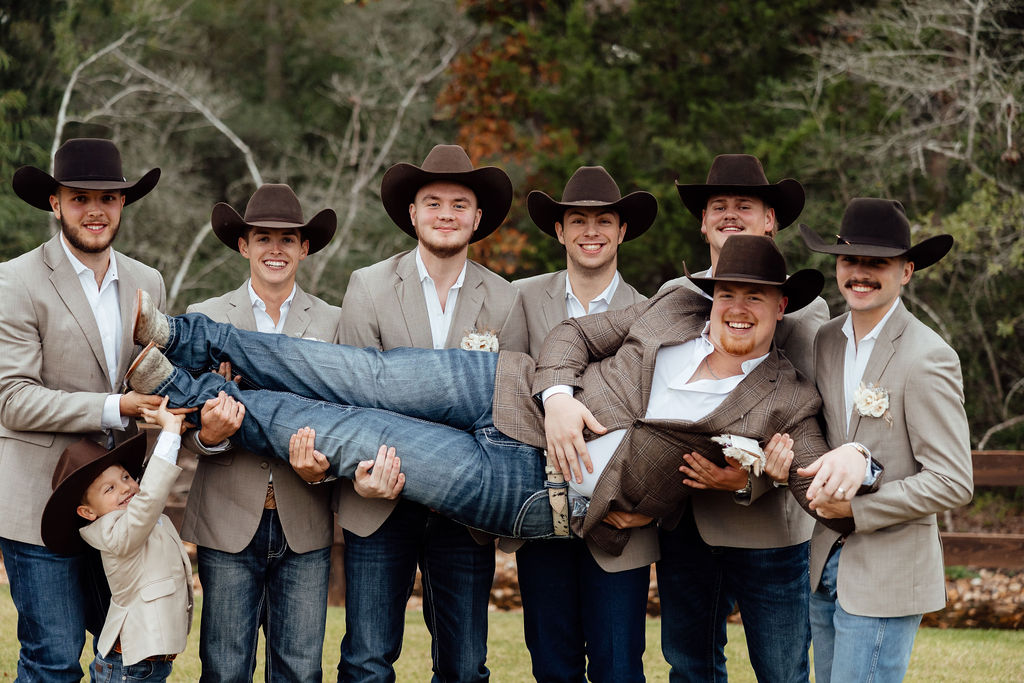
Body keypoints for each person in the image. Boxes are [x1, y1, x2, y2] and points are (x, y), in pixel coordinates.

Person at [126, 235, 849, 554]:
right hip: (505, 386)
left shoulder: (788, 399)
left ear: (780, 307)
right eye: (730, 291)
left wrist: (759, 477)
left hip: (535, 489)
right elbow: (570, 338)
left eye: (757, 297)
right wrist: (561, 396)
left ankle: (184, 391)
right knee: (355, 373)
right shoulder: (672, 305)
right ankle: (184, 334)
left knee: (355, 433)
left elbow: (823, 493)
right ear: (713, 293)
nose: (738, 307)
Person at [332, 144, 527, 682]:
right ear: (413, 214)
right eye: (433, 202)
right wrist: (363, 474)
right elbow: (350, 398)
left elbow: (505, 409)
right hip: (379, 496)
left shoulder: (506, 299)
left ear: (477, 217)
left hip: (464, 510)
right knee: (368, 660)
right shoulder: (368, 287)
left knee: (464, 666)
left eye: (459, 204)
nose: (447, 214)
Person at [656, 153, 829, 682]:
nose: (730, 215)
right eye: (719, 206)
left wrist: (747, 479)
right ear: (703, 221)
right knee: (690, 668)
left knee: (781, 671)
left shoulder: (803, 314)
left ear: (770, 219)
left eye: (745, 206)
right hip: (684, 521)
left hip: (767, 529)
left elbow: (807, 425)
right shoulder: (674, 296)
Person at [0, 138, 167, 680]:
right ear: (55, 203)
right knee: (52, 658)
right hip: (37, 501)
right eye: (79, 198)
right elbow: (13, 400)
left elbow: (151, 374)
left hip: (118, 508)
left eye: (109, 198)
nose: (95, 210)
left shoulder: (148, 282)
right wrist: (115, 406)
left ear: (124, 204)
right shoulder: (15, 281)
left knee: (130, 653)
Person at [176, 184, 352, 682]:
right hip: (227, 517)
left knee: (299, 669)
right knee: (226, 668)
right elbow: (185, 425)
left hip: (305, 517)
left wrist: (323, 471)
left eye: (287, 239)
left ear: (305, 248)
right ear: (243, 246)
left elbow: (349, 420)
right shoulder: (205, 318)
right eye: (263, 238)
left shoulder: (335, 323)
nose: (275, 249)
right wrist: (209, 435)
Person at [798, 198, 973, 682]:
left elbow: (953, 482)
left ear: (907, 271)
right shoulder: (826, 341)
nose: (861, 273)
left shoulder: (928, 356)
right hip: (825, 564)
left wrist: (859, 510)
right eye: (851, 260)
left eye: (878, 263)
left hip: (888, 571)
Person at [508, 165, 656, 682]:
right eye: (578, 220)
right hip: (540, 512)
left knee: (619, 667)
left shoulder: (651, 311)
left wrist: (644, 505)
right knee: (552, 665)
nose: (590, 232)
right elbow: (506, 391)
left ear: (621, 231)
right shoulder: (522, 299)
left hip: (620, 523)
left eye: (603, 221)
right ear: (559, 230)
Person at [40, 399, 193, 682]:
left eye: (125, 476)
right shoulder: (113, 531)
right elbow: (149, 498)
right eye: (109, 488)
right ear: (88, 512)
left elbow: (147, 490)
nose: (125, 487)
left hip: (141, 662)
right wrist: (170, 432)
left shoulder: (131, 515)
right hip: (129, 665)